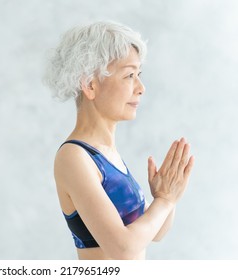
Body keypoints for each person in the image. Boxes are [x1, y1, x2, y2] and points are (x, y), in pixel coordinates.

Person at [43, 21, 195, 260]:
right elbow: (122, 248)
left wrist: (166, 197)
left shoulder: (107, 153)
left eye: (139, 75)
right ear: (90, 85)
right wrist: (164, 201)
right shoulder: (74, 157)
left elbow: (154, 233)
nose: (141, 87)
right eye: (130, 75)